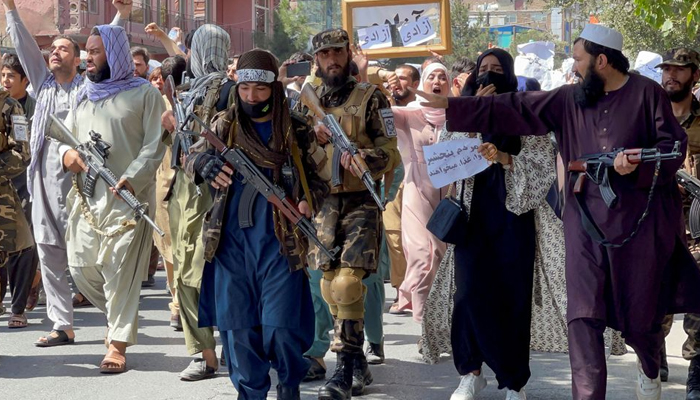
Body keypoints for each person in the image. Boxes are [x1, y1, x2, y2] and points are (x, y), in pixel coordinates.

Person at [415, 25, 700, 400]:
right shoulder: (568, 99)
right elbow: (516, 105)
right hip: (584, 223)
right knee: (583, 315)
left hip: (638, 224)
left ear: (602, 60)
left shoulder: (647, 94)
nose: (574, 67)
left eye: (579, 60)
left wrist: (637, 165)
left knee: (640, 317)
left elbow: (671, 149)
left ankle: (649, 365)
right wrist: (455, 106)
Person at [184, 48, 328, 400]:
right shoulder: (224, 124)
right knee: (239, 332)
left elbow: (322, 179)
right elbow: (189, 157)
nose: (252, 97)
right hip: (230, 245)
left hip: (280, 245)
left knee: (281, 328)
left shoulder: (295, 129)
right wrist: (203, 162)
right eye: (246, 88)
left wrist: (310, 200)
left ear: (274, 89)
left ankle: (289, 387)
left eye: (260, 90)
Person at [2, 0, 129, 347]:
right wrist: (10, 7)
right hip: (43, 181)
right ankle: (62, 325)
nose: (55, 53)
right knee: (49, 252)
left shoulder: (90, 88)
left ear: (78, 59)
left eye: (63, 49)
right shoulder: (41, 84)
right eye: (52, 49)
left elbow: (106, 50)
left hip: (82, 185)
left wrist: (121, 15)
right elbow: (23, 42)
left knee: (88, 258)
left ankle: (113, 325)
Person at [298, 28, 400, 400]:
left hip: (361, 201)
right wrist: (316, 138)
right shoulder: (307, 105)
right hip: (325, 200)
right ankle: (357, 360)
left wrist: (364, 157)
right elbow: (296, 150)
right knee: (327, 283)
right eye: (325, 55)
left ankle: (342, 368)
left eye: (338, 53)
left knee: (348, 283)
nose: (332, 60)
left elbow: (392, 151)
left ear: (348, 54)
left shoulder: (372, 98)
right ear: (317, 61)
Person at [60, 24, 165, 373]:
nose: (89, 58)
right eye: (87, 51)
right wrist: (66, 157)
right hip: (86, 201)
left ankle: (117, 344)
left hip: (127, 201)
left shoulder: (144, 95)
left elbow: (154, 145)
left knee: (121, 271)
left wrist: (132, 178)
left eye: (96, 51)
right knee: (80, 265)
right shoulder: (83, 95)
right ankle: (115, 315)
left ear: (115, 54)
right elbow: (65, 139)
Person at [161, 24, 235, 381]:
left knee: (214, 273)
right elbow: (175, 147)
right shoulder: (186, 92)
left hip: (216, 192)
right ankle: (204, 353)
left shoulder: (231, 93)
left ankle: (235, 348)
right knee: (185, 274)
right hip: (183, 192)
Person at [657, 48, 700, 399]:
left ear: (695, 76)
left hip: (698, 225)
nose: (671, 75)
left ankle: (696, 373)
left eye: (680, 70)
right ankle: (654, 353)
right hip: (658, 222)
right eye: (666, 69)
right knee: (657, 297)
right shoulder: (650, 119)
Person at [391, 62, 449, 323]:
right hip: (417, 190)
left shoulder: (459, 115)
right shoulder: (409, 115)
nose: (437, 80)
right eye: (431, 76)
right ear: (422, 83)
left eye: (443, 76)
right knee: (422, 254)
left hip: (450, 193)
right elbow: (379, 112)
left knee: (442, 255)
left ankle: (441, 316)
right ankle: (424, 319)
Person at [156, 55, 187, 331]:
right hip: (167, 185)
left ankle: (180, 302)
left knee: (174, 248)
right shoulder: (159, 107)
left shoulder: (190, 102)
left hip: (180, 185)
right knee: (169, 248)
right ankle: (177, 303)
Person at [0, 86, 32, 329]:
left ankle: (18, 306)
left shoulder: (11, 106)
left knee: (20, 248)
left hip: (3, 198)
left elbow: (22, 152)